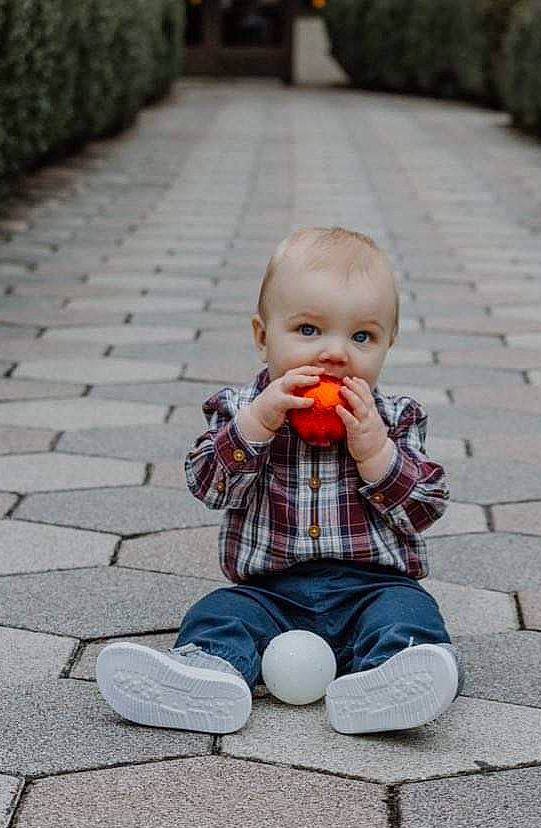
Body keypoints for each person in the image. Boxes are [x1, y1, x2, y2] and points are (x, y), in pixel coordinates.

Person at [96, 226, 465, 736]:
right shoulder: (238, 410)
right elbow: (207, 485)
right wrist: (256, 425)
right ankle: (206, 676)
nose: (335, 352)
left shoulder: (395, 418)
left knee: (409, 614)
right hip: (269, 593)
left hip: (373, 588)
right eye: (309, 330)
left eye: (362, 337)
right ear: (262, 336)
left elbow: (426, 507)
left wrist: (377, 453)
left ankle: (394, 679)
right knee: (219, 614)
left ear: (389, 344)